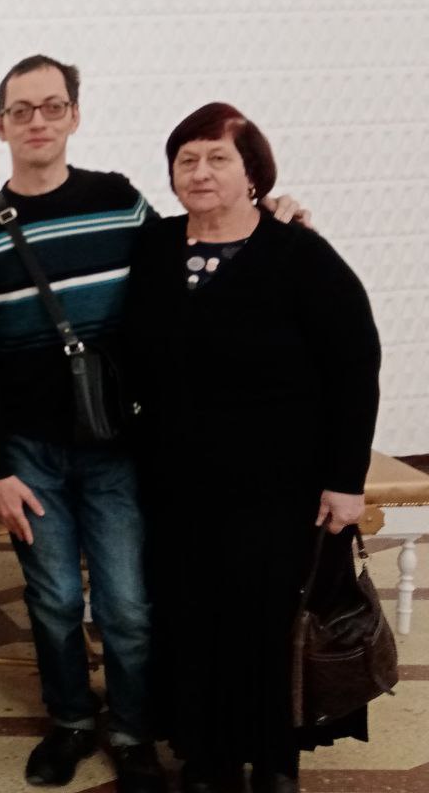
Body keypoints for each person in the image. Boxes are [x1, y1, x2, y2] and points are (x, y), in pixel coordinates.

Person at [0, 56, 308, 793]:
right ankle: (71, 721)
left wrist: (268, 215)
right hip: (30, 453)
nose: (38, 121)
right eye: (21, 110)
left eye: (53, 106)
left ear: (75, 116)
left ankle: (132, 729)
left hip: (117, 445)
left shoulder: (117, 202)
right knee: (52, 600)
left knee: (129, 606)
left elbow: (194, 242)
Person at [125, 103, 380, 793]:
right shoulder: (154, 247)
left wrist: (346, 479)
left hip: (277, 487)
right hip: (176, 484)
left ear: (254, 174)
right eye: (186, 159)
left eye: (218, 158)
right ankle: (204, 755)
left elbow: (354, 365)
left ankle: (273, 760)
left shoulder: (299, 254)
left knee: (264, 622)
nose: (200, 172)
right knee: (189, 617)